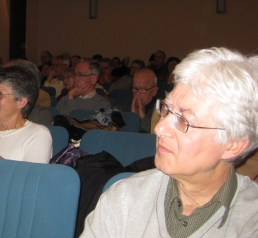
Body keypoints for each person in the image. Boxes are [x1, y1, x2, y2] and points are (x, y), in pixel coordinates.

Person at [80, 47, 258, 238]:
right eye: (166, 109)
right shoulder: (124, 197)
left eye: (184, 121)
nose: (159, 129)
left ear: (233, 144)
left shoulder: (250, 219)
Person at [130, 68, 158, 133]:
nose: (137, 94)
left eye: (142, 90)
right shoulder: (121, 106)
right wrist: (132, 117)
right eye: (134, 89)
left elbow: (158, 133)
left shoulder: (161, 111)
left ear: (154, 91)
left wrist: (143, 117)